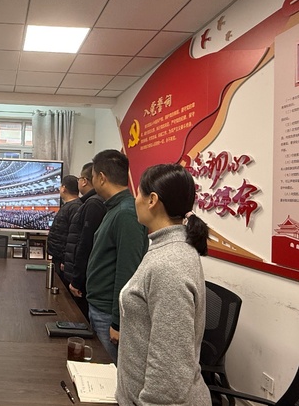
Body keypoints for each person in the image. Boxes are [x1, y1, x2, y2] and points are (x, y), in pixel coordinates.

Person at [116, 163, 210, 406]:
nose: (135, 200)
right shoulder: (165, 248)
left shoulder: (170, 263)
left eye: (138, 193)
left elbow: (170, 370)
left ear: (152, 200)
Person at [85, 149, 148, 364]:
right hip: (100, 308)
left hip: (109, 315)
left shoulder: (125, 213)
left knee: (111, 374)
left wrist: (118, 321)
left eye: (93, 176)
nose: (92, 181)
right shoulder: (114, 209)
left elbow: (127, 270)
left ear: (102, 178)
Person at [65, 163, 107, 317]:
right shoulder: (90, 202)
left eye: (79, 179)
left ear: (84, 181)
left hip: (84, 279)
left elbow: (85, 243)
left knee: (78, 317)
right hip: (82, 273)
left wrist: (77, 279)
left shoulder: (93, 204)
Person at [46, 175, 81, 282]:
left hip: (63, 260)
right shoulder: (69, 206)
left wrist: (66, 261)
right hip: (59, 257)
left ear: (64, 188)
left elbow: (74, 238)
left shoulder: (75, 207)